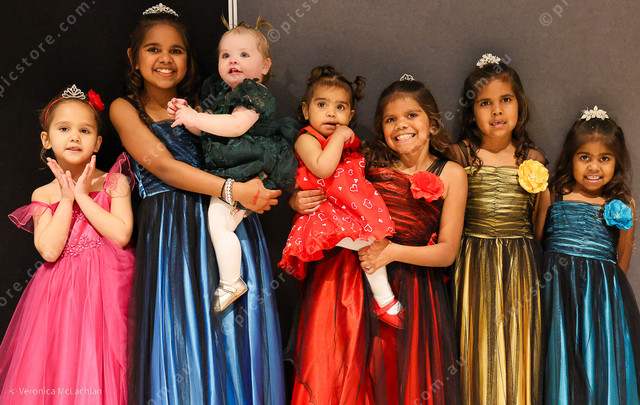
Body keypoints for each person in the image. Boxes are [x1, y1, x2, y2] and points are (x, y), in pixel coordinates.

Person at [109, 4, 284, 404]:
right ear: (135, 57)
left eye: (176, 50)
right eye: (154, 49)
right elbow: (163, 166)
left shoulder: (209, 102)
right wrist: (233, 190)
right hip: (171, 234)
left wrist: (267, 184)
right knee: (182, 332)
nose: (165, 59)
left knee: (233, 332)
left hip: (226, 224)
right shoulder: (125, 107)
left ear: (188, 59)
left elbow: (255, 144)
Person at [288, 76, 467, 404]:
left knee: (405, 381)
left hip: (416, 291)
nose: (402, 125)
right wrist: (296, 200)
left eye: (412, 115)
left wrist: (391, 252)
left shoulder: (452, 173)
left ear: (432, 122)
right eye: (390, 119)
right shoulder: (367, 163)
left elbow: (447, 252)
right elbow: (326, 189)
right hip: (357, 288)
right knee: (356, 378)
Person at [0, 85, 134, 404]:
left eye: (84, 131)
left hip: (108, 294)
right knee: (62, 364)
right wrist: (65, 197)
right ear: (46, 139)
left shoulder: (115, 182)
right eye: (64, 129)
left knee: (102, 362)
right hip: (59, 299)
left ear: (97, 142)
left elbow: (121, 235)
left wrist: (83, 196)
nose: (74, 137)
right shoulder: (43, 194)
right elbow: (49, 250)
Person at [167, 18, 296, 312]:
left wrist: (196, 118)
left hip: (248, 166)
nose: (233, 61)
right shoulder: (222, 95)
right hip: (234, 170)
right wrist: (186, 115)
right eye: (226, 55)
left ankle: (231, 281)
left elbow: (236, 126)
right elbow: (209, 129)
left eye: (244, 54)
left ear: (265, 66)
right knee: (221, 220)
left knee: (217, 219)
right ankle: (230, 275)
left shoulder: (254, 93)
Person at [451, 53, 548, 404]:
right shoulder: (460, 155)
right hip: (473, 264)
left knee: (518, 345)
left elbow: (540, 220)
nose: (496, 111)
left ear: (519, 104)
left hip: (520, 265)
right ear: (471, 111)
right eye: (485, 103)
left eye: (505, 100)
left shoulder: (532, 159)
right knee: (476, 345)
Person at [278, 65, 401, 326]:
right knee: (372, 246)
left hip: (344, 214)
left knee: (373, 245)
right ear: (306, 111)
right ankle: (386, 301)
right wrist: (340, 135)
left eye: (341, 107)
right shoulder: (307, 138)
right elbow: (323, 167)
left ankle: (384, 301)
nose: (331, 113)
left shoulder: (347, 146)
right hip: (322, 216)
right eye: (322, 105)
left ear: (351, 114)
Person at [536, 106, 640, 404]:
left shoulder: (622, 204)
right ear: (571, 158)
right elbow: (537, 243)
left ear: (617, 162)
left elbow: (620, 261)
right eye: (585, 158)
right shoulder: (553, 194)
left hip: (601, 301)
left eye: (604, 159)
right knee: (559, 366)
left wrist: (603, 296)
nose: (594, 168)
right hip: (557, 297)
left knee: (599, 367)